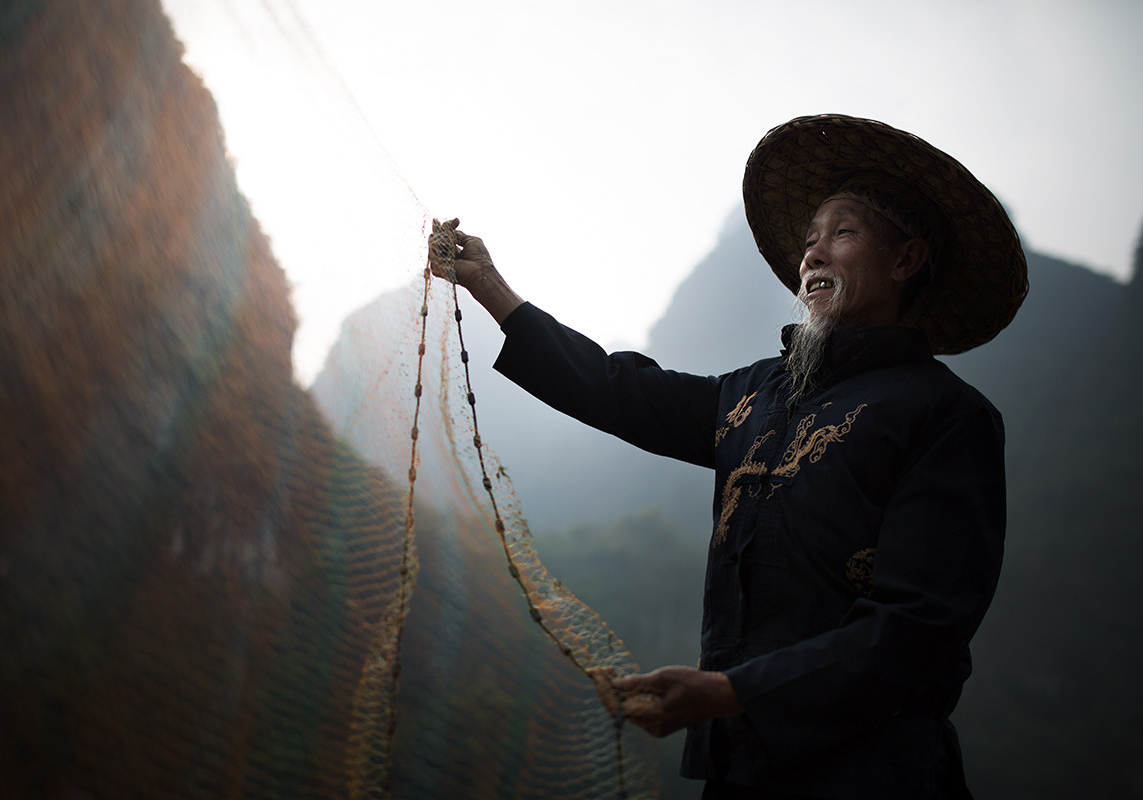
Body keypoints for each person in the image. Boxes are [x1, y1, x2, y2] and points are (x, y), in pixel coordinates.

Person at [429, 114, 1028, 799]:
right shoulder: (751, 395)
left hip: (874, 774)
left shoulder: (946, 415)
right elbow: (616, 389)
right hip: (738, 769)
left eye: (842, 234)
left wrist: (731, 692)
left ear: (905, 260)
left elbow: (919, 627)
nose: (813, 255)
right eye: (809, 240)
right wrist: (490, 286)